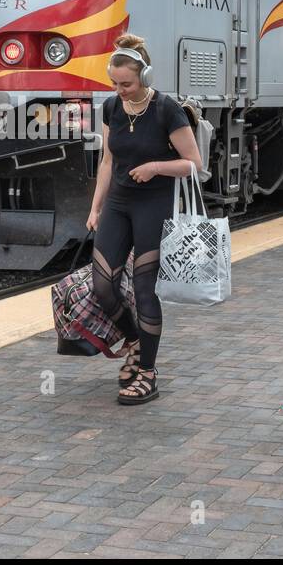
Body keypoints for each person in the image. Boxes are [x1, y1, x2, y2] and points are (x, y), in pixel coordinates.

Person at [87, 33, 202, 405]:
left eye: (127, 84)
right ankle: (134, 340)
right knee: (103, 286)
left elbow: (194, 165)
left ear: (145, 78)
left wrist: (154, 167)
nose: (120, 90)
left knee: (145, 289)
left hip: (154, 206)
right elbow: (107, 160)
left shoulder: (167, 110)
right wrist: (95, 207)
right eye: (115, 83)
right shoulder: (111, 108)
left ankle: (149, 373)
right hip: (119, 204)